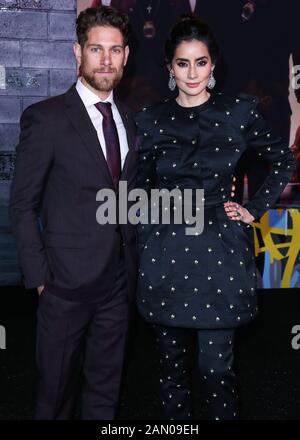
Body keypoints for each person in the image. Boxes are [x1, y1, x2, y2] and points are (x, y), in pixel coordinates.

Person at [135, 15, 295, 420]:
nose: (193, 73)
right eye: (183, 63)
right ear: (169, 67)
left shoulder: (238, 112)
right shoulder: (150, 120)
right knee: (170, 372)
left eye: (201, 62)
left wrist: (252, 208)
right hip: (165, 253)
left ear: (213, 64)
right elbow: (138, 187)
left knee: (215, 370)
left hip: (219, 252)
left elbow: (281, 160)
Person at [10, 6, 137, 420]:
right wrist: (42, 280)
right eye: (96, 49)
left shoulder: (130, 122)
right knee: (54, 398)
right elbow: (23, 204)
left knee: (105, 395)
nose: (106, 60)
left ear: (126, 56)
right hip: (63, 287)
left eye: (114, 50)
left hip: (116, 286)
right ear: (76, 52)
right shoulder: (45, 119)